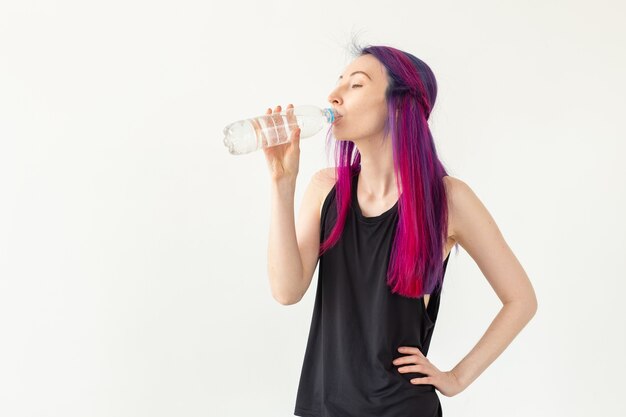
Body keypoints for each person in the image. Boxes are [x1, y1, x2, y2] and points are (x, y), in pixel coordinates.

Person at [264, 44, 538, 417]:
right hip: (322, 406)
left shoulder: (447, 200)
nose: (334, 94)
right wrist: (282, 184)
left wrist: (456, 378)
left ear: (397, 104)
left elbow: (521, 299)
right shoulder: (324, 188)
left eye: (356, 85)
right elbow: (286, 290)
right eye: (339, 81)